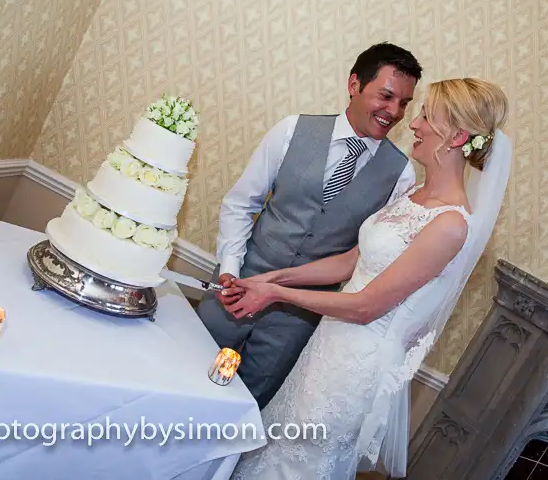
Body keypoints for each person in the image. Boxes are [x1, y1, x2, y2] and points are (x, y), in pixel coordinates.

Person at [225, 78, 513, 480]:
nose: (414, 123)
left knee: (298, 465)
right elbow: (348, 263)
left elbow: (365, 306)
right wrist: (274, 277)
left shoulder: (450, 224)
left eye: (427, 115)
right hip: (328, 344)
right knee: (275, 450)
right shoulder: (413, 195)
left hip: (356, 365)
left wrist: (275, 294)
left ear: (457, 136)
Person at [195, 42, 422, 409]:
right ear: (354, 84)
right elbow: (241, 204)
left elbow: (364, 257)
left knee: (244, 412)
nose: (393, 112)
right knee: (182, 374)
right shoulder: (291, 130)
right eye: (386, 96)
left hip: (296, 321)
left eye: (404, 103)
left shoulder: (401, 175)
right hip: (234, 290)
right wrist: (230, 271)